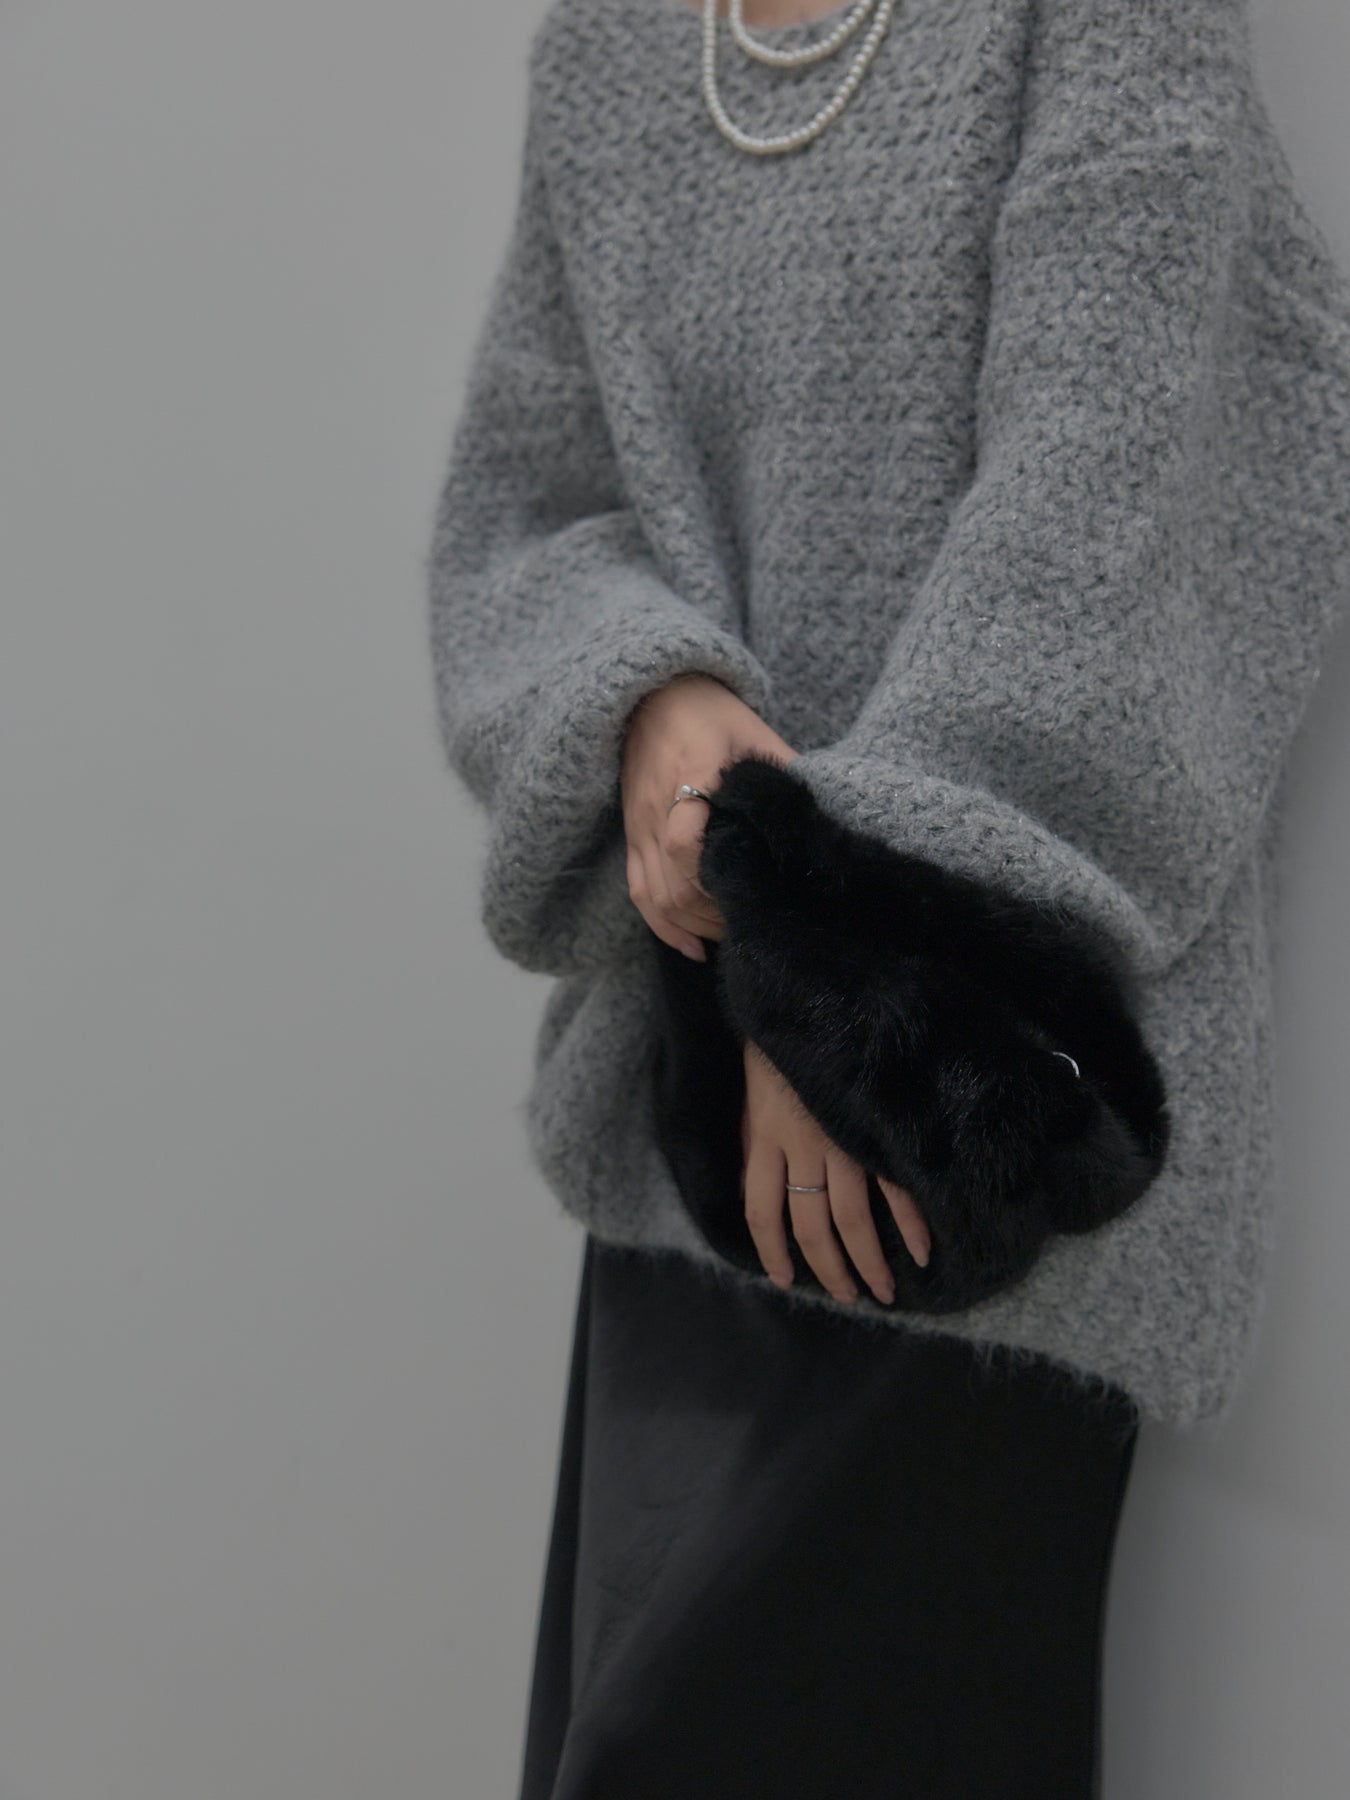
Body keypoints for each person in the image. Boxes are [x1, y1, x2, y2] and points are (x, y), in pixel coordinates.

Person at [425, 0, 1350, 1792]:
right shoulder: (615, 45)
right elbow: (523, 517)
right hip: (686, 1155)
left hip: (967, 1173)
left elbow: (1114, 503)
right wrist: (649, 701)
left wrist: (835, 989)